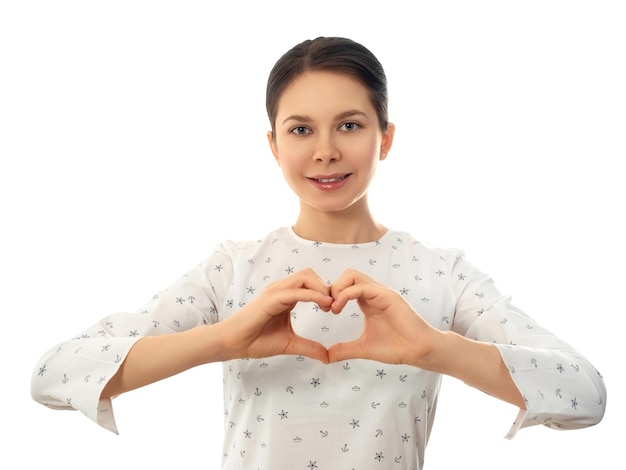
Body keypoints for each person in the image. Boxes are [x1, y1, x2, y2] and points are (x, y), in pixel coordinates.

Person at [31, 36, 606, 469]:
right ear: (273, 144)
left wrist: (434, 349)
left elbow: (584, 393)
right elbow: (53, 375)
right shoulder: (232, 269)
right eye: (301, 129)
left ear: (385, 136)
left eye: (349, 125)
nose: (326, 151)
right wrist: (222, 340)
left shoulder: (442, 274)